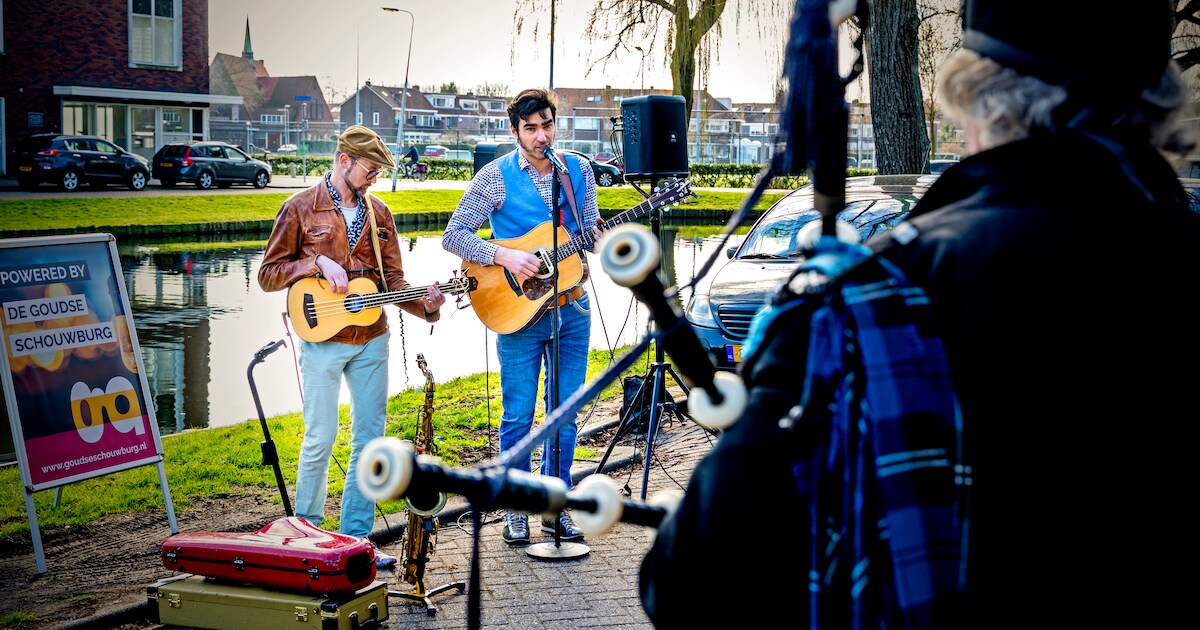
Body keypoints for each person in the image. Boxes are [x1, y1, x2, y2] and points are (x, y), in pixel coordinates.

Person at [640, 1, 1199, 627]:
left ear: (974, 96)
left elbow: (693, 588)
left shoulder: (882, 293)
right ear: (1158, 100)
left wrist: (785, 368)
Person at [258, 125, 446, 570]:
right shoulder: (300, 207)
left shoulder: (380, 213)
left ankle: (356, 539)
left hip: (372, 339)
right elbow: (268, 273)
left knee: (370, 439)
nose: (375, 178)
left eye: (379, 171)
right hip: (322, 341)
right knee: (319, 437)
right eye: (370, 169)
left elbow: (393, 283)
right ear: (343, 161)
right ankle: (308, 535)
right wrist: (315, 261)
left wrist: (429, 304)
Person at [442, 88, 602, 545]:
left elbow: (586, 232)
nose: (541, 135)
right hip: (516, 312)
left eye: (547, 125)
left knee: (565, 412)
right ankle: (516, 508)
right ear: (514, 131)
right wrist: (505, 258)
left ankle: (555, 505)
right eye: (530, 128)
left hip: (571, 306)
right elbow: (455, 237)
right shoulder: (494, 177)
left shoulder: (578, 171)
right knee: (518, 416)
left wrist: (596, 235)